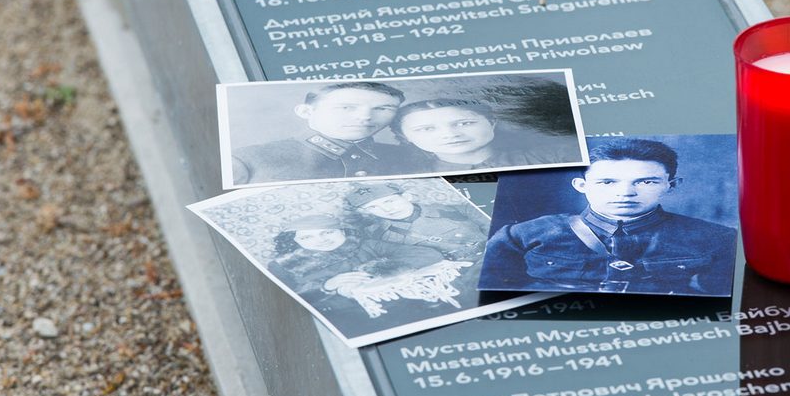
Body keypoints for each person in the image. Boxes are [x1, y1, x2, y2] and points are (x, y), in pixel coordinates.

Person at [480, 138, 736, 295]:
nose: (625, 193)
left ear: (671, 185)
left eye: (646, 181)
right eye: (607, 182)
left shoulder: (718, 240)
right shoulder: (522, 235)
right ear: (581, 186)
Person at [231, 81, 420, 184]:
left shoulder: (408, 157)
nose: (365, 117)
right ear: (306, 111)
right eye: (346, 107)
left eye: (383, 109)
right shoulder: (245, 160)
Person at [265, 213, 443, 299]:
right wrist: (327, 286)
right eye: (307, 237)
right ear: (296, 242)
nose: (321, 240)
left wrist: (378, 272)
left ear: (342, 231)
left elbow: (428, 254)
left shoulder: (365, 245)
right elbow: (286, 303)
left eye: (328, 232)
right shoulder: (283, 265)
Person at [390, 99, 580, 172]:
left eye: (464, 123)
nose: (450, 134)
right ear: (406, 137)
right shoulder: (417, 176)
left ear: (492, 122)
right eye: (427, 129)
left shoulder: (555, 156)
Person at [346, 183, 485, 260]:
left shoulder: (454, 208)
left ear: (407, 196)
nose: (387, 209)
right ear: (366, 212)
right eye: (373, 207)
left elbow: (494, 225)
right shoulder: (376, 235)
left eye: (390, 201)